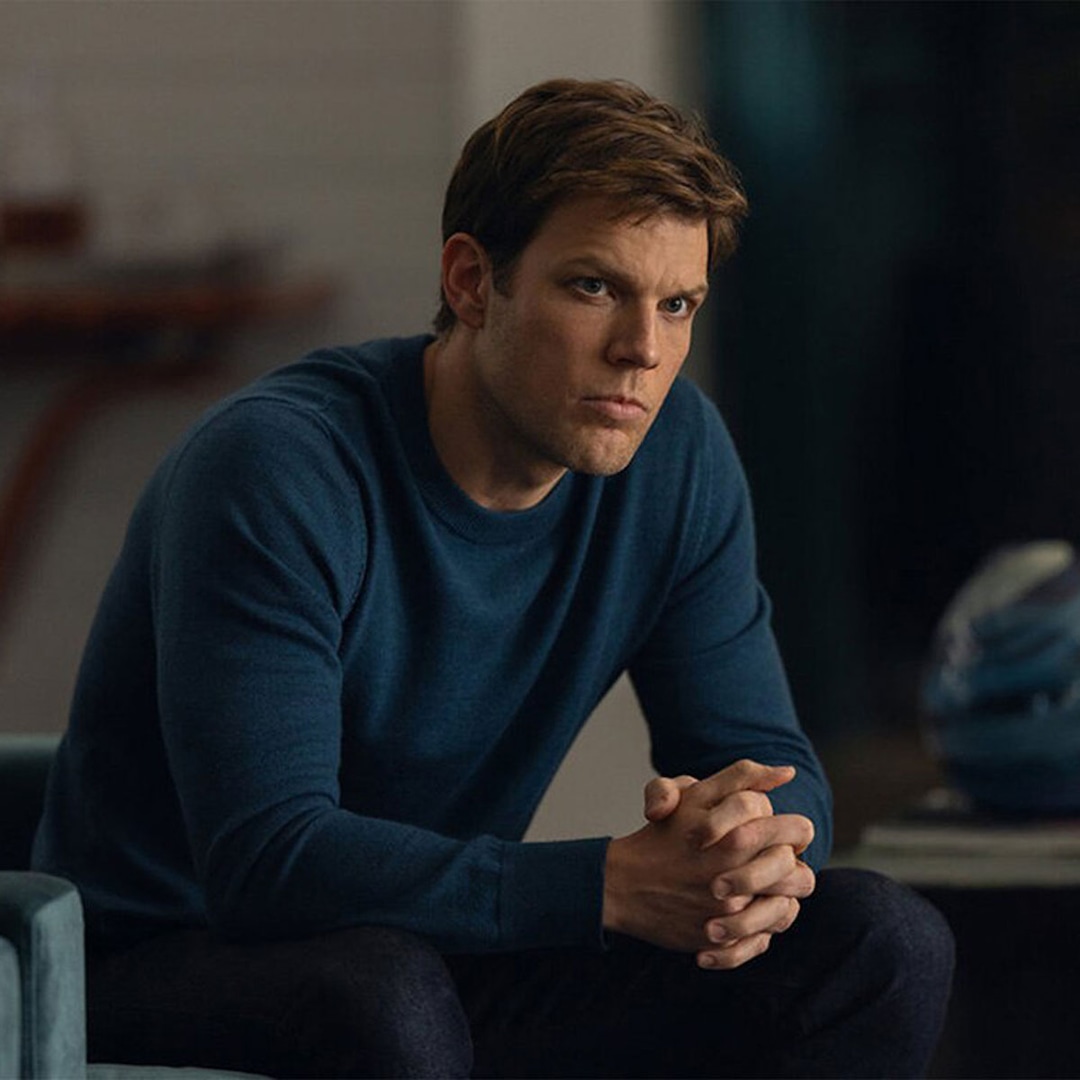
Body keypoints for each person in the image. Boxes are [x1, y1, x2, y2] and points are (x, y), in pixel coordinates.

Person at [33, 78, 953, 1078]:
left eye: (676, 304)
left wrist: (750, 850)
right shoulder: (277, 470)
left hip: (433, 952)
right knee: (385, 997)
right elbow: (269, 862)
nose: (643, 351)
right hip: (167, 958)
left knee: (878, 943)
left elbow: (768, 758)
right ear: (472, 283)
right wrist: (607, 886)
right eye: (593, 287)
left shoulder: (675, 459)